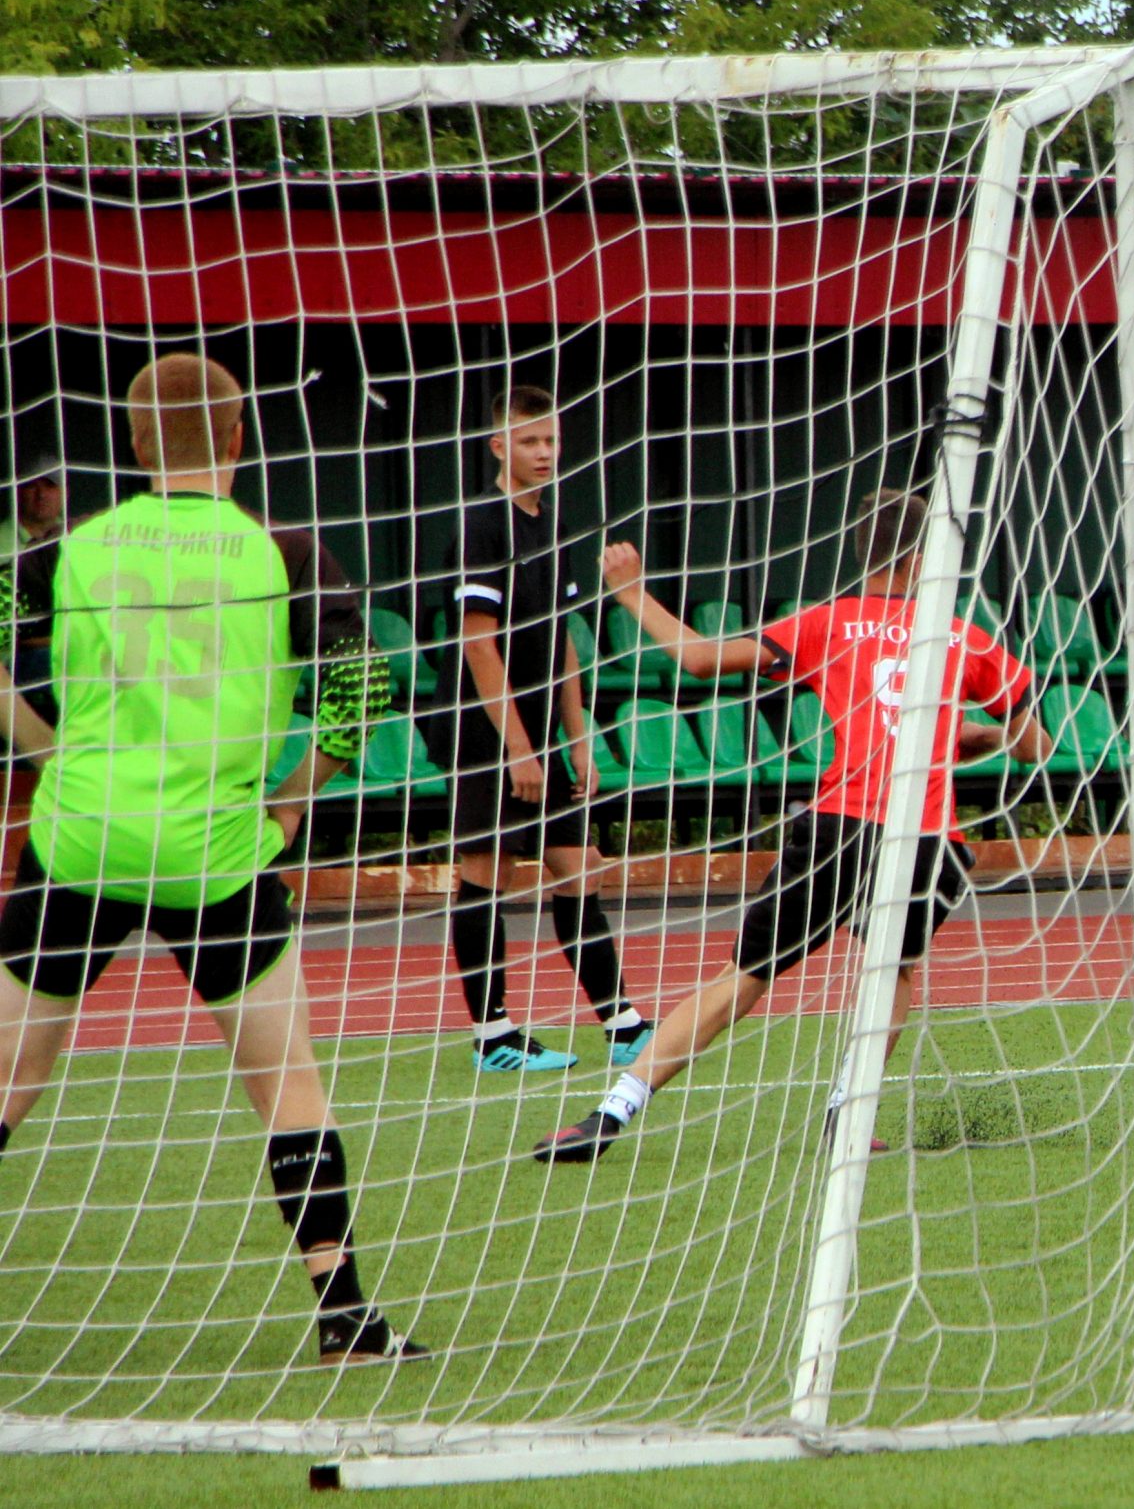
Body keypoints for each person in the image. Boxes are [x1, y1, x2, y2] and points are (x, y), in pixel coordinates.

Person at [0, 353, 424, 1363]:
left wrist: (42, 746)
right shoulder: (287, 553)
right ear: (239, 440)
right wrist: (285, 809)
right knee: (287, 1085)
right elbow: (366, 691)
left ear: (135, 446)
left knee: (8, 1087)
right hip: (218, 855)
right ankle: (345, 1318)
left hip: (79, 840)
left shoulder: (67, 551)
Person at [530, 489, 1050, 1164]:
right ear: (926, 559)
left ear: (859, 551)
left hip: (840, 828)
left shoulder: (830, 622)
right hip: (924, 841)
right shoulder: (963, 636)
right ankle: (847, 1112)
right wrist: (965, 733)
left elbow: (700, 660)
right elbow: (1030, 742)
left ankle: (612, 1111)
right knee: (890, 974)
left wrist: (630, 593)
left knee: (742, 977)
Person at [430, 387, 648, 1074]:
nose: (546, 452)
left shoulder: (550, 525)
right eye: (530, 441)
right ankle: (493, 1037)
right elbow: (478, 645)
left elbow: (564, 641)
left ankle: (623, 1023)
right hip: (483, 733)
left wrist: (578, 736)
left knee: (576, 867)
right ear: (500, 447)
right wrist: (521, 747)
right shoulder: (483, 525)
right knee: (486, 874)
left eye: (552, 440)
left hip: (539, 735)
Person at [4, 454, 67, 724]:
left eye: (50, 485)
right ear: (18, 490)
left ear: (64, 493)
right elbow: (13, 636)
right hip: (11, 665)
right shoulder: (3, 545)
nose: (41, 494)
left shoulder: (80, 539)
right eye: (32, 485)